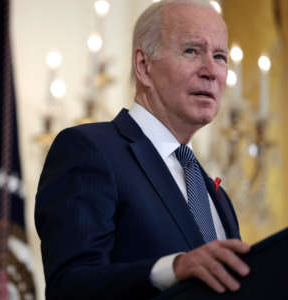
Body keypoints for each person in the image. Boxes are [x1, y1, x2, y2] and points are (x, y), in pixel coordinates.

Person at [35, 0, 251, 299]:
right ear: (144, 66)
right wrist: (173, 269)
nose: (211, 71)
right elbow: (70, 286)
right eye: (191, 51)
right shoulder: (90, 150)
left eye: (220, 56)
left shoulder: (215, 195)